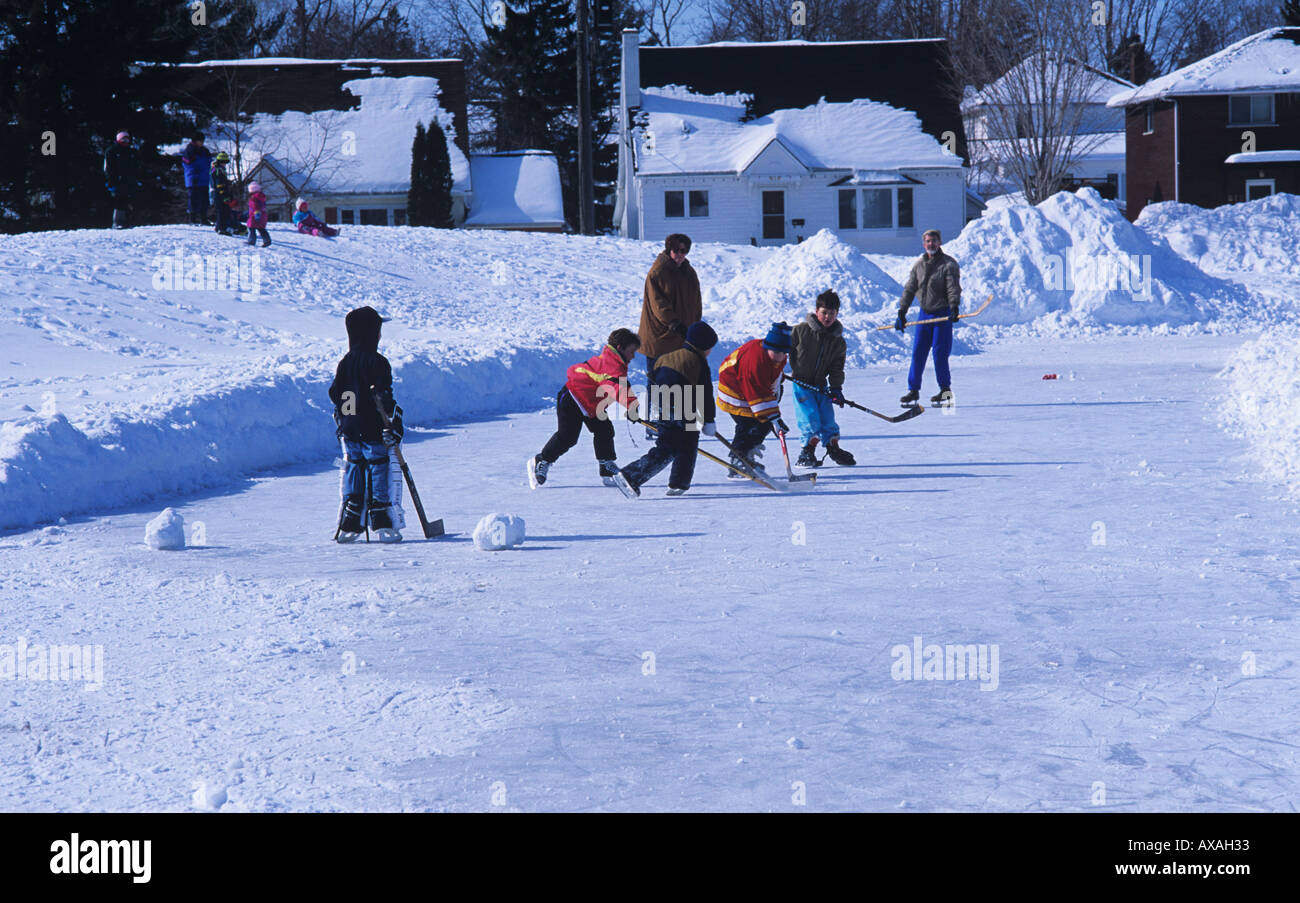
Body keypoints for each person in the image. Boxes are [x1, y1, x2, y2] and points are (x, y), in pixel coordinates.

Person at [529, 329, 641, 489]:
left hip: (592, 405)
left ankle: (606, 467)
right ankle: (543, 459)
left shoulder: (614, 363)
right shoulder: (612, 365)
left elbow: (620, 385)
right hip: (573, 398)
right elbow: (617, 387)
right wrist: (631, 407)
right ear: (620, 347)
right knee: (567, 437)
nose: (633, 356)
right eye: (631, 351)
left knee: (605, 431)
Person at [328, 306, 404, 543]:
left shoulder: (345, 362)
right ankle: (380, 517)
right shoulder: (378, 362)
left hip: (349, 428)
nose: (380, 336)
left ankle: (351, 519)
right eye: (378, 331)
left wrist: (349, 417)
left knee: (354, 466)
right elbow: (383, 396)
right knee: (378, 465)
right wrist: (393, 425)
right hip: (373, 429)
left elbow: (336, 392)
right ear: (371, 334)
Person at [619, 322, 718, 497]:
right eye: (710, 348)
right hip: (682, 403)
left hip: (660, 402)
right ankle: (636, 476)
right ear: (702, 346)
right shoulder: (698, 362)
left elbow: (653, 378)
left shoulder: (665, 357)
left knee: (669, 445)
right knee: (686, 444)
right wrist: (709, 420)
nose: (710, 352)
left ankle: (671, 482)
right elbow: (705, 394)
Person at [638, 233, 701, 431]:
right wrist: (674, 322)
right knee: (658, 380)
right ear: (668, 250)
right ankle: (654, 423)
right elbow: (659, 304)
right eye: (676, 251)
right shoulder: (658, 271)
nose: (680, 255)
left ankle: (677, 419)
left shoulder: (688, 272)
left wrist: (694, 325)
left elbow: (696, 301)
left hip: (681, 335)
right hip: (660, 337)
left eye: (684, 251)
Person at [716, 322, 792, 476]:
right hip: (734, 391)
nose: (780, 356)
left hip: (749, 389)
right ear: (767, 346)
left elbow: (770, 377)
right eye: (776, 352)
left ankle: (746, 455)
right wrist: (774, 418)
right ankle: (737, 462)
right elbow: (757, 393)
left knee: (762, 424)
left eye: (784, 353)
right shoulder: (755, 361)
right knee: (748, 424)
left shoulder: (778, 356)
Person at [896, 229, 961, 406]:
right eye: (927, 242)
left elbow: (952, 287)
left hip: (942, 315)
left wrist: (954, 306)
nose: (931, 244)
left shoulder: (949, 264)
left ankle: (945, 391)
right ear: (923, 244)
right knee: (918, 352)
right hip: (924, 314)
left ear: (940, 242)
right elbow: (910, 288)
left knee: (940, 354)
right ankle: (913, 390)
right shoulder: (919, 265)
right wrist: (902, 311)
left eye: (934, 241)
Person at [790, 290, 855, 467]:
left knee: (827, 418)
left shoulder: (838, 341)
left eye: (832, 313)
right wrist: (776, 372)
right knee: (810, 417)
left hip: (820, 385)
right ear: (817, 311)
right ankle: (807, 452)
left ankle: (833, 447)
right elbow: (781, 349)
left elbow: (836, 367)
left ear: (837, 314)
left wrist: (836, 388)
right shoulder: (801, 331)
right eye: (824, 312)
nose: (827, 317)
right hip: (801, 384)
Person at [103, 130, 138, 229]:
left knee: (128, 200)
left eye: (127, 138)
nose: (126, 140)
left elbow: (135, 166)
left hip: (129, 180)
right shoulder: (112, 151)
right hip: (117, 180)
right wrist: (111, 180)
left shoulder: (131, 151)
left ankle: (127, 221)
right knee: (119, 201)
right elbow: (108, 167)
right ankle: (117, 222)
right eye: (123, 138)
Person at [180, 133, 212, 225]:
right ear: (195, 141)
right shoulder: (189, 151)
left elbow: (208, 162)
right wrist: (194, 175)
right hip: (194, 179)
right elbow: (188, 165)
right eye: (200, 140)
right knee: (193, 199)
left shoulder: (205, 151)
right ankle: (192, 219)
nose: (202, 142)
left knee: (204, 200)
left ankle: (204, 219)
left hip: (204, 179)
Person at [210, 152, 236, 235]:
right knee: (222, 211)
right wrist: (224, 194)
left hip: (219, 193)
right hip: (219, 194)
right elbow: (219, 184)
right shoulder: (218, 171)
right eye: (223, 162)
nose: (225, 164)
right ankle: (222, 229)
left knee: (223, 211)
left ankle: (218, 227)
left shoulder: (219, 169)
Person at [246, 181, 271, 247]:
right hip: (262, 216)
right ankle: (267, 240)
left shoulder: (254, 198)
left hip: (255, 216)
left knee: (251, 228)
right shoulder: (261, 197)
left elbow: (255, 207)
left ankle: (251, 241)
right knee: (261, 229)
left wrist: (256, 214)